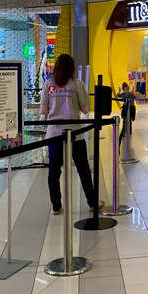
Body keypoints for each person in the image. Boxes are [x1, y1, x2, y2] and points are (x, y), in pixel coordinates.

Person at [39, 54, 99, 215]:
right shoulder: (77, 84)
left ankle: (56, 206)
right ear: (72, 68)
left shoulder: (48, 84)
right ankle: (92, 203)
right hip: (75, 133)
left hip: (54, 133)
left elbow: (43, 110)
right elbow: (85, 109)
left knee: (54, 171)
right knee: (83, 169)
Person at [116, 82, 136, 146]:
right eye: (125, 89)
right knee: (124, 120)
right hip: (125, 109)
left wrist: (134, 91)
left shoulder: (131, 94)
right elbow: (117, 96)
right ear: (123, 89)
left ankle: (129, 131)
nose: (126, 90)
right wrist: (118, 91)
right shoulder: (122, 94)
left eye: (127, 89)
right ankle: (124, 132)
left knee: (130, 121)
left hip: (131, 108)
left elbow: (135, 97)